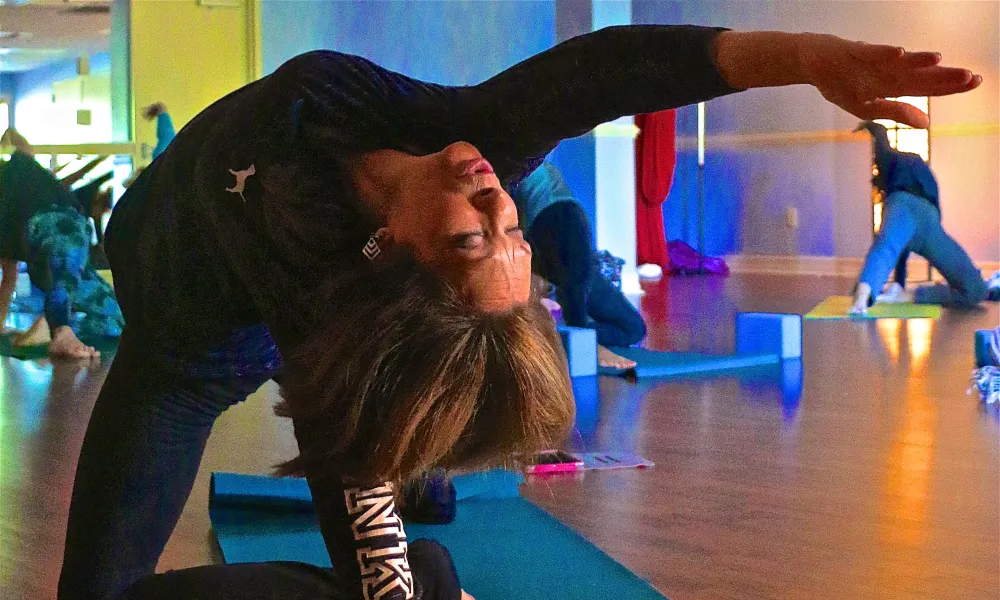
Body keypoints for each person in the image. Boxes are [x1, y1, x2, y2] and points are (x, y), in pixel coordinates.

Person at [54, 25, 980, 600]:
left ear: (393, 255)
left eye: (471, 238)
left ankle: (432, 564)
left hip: (185, 360)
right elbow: (600, 75)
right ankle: (437, 555)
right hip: (174, 303)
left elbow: (351, 469)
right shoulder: (455, 141)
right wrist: (801, 57)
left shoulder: (308, 258)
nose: (502, 205)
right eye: (512, 237)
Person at [0, 129, 124, 358]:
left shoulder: (15, 169)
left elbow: (9, 275)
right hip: (70, 223)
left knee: (115, 321)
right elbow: (20, 141)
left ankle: (54, 328)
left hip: (62, 225)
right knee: (68, 277)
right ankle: (60, 329)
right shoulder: (20, 164)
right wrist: (7, 136)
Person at [513, 161, 645, 369]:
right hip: (552, 224)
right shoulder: (507, 161)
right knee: (574, 295)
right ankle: (583, 341)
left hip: (570, 225)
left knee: (634, 329)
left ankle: (570, 336)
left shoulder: (537, 154)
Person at [850, 120, 990, 314]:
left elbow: (881, 139)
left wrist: (871, 126)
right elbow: (895, 252)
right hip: (924, 217)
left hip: (922, 216)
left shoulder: (893, 160)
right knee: (976, 290)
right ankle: (866, 296)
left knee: (888, 246)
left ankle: (872, 296)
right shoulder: (908, 171)